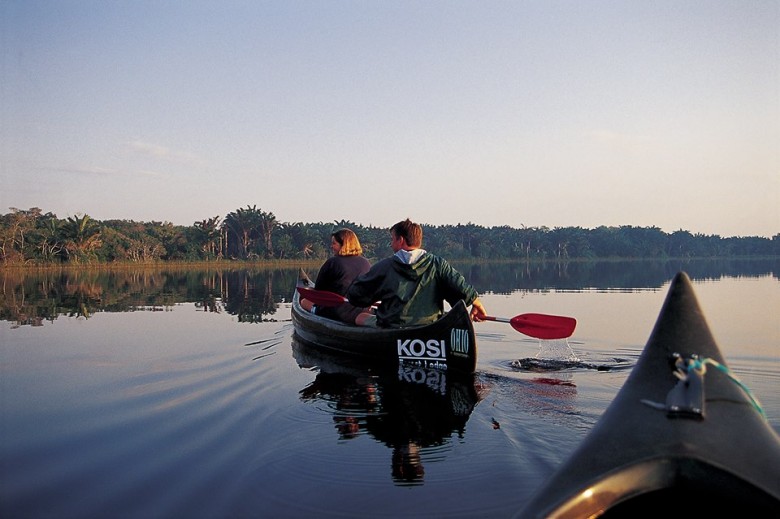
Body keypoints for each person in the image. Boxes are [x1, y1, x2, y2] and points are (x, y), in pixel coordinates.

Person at [347, 218, 487, 328]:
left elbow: (356, 295)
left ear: (400, 240)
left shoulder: (384, 266)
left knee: (361, 316)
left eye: (392, 239)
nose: (391, 244)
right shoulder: (438, 264)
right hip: (430, 327)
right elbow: (462, 288)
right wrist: (477, 304)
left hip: (393, 327)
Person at [300, 228, 372, 324]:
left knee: (304, 302)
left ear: (344, 245)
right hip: (362, 310)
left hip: (338, 312)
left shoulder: (333, 262)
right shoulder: (366, 262)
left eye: (334, 243)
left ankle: (315, 311)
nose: (331, 246)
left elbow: (319, 291)